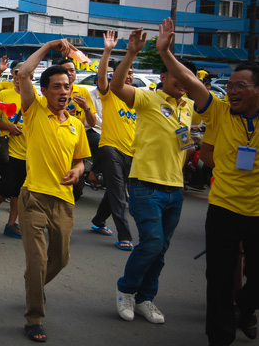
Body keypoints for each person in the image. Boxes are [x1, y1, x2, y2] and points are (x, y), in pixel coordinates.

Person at [154, 18, 259, 346]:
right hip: (224, 208)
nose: (231, 90)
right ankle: (220, 336)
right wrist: (165, 52)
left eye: (241, 85)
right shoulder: (219, 111)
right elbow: (188, 80)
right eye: (230, 84)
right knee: (219, 276)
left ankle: (245, 306)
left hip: (257, 214)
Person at [111, 25, 196, 325]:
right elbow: (117, 88)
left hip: (175, 190)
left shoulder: (188, 107)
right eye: (177, 75)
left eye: (188, 78)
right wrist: (130, 53)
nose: (183, 82)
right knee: (151, 242)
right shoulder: (149, 98)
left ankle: (147, 298)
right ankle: (126, 291)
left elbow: (184, 143)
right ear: (163, 76)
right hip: (145, 185)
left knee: (161, 249)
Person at [16, 40, 91, 342]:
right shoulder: (33, 112)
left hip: (64, 200)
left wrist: (79, 170)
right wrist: (48, 45)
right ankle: (34, 316)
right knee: (37, 260)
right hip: (33, 197)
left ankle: (34, 285)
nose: (63, 91)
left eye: (67, 86)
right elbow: (24, 73)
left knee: (60, 259)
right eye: (57, 86)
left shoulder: (76, 124)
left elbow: (82, 160)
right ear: (44, 91)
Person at [90, 31, 136, 250]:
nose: (128, 77)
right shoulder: (109, 95)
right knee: (119, 194)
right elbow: (100, 78)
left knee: (115, 191)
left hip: (131, 153)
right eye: (123, 74)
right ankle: (124, 234)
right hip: (110, 149)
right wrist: (107, 51)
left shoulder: (138, 98)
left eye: (130, 75)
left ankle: (98, 220)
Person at [0, 62, 27, 239]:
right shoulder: (4, 94)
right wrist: (9, 126)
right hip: (7, 149)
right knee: (8, 184)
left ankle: (11, 224)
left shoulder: (35, 98)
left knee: (18, 190)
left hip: (28, 151)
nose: (19, 76)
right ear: (13, 74)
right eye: (17, 72)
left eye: (24, 73)